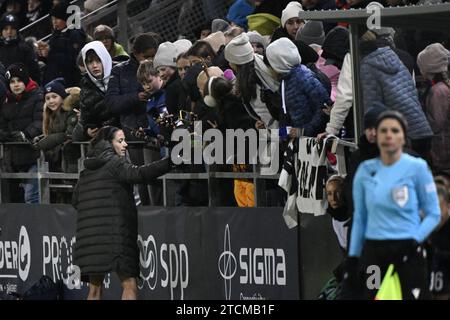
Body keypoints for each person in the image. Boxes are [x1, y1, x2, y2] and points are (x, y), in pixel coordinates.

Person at [346, 110, 441, 300]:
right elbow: (359, 218)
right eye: (383, 130)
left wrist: (415, 239)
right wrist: (353, 257)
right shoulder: (365, 170)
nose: (389, 135)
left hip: (408, 249)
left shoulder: (417, 167)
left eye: (395, 131)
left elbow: (434, 213)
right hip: (374, 250)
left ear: (403, 136)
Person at [72, 126, 172, 300]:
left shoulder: (86, 172)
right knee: (130, 286)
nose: (125, 145)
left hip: (90, 241)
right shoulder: (116, 163)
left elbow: (75, 202)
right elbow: (139, 174)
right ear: (107, 144)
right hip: (116, 236)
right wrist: (171, 162)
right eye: (120, 141)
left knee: (94, 291)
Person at [33, 78, 79, 172]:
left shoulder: (71, 112)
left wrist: (47, 140)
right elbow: (52, 133)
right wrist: (41, 138)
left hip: (70, 159)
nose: (51, 101)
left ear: (62, 97)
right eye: (48, 98)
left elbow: (69, 134)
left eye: (54, 97)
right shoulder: (50, 115)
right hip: (56, 159)